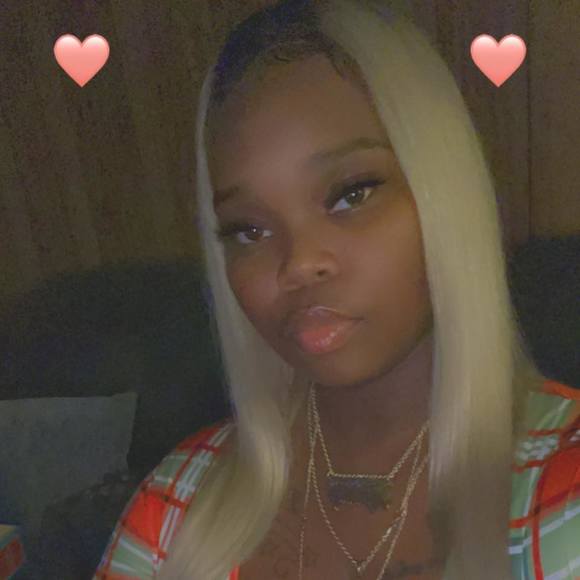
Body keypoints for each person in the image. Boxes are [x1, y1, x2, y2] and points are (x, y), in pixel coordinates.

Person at [92, 1, 580, 578]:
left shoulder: (559, 492)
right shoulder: (177, 509)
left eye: (352, 194)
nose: (299, 264)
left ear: (443, 191)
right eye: (248, 230)